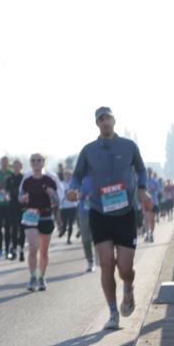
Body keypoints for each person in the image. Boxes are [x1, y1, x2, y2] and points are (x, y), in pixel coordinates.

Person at [66, 106, 149, 330]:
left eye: (108, 118)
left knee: (124, 268)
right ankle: (113, 313)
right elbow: (77, 176)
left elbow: (141, 170)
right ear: (97, 123)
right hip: (99, 212)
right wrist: (72, 190)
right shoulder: (89, 150)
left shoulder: (129, 146)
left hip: (124, 214)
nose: (105, 123)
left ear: (114, 120)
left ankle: (128, 287)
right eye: (100, 119)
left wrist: (142, 189)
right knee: (106, 264)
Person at [19, 153, 61, 291]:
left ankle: (41, 276)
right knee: (33, 248)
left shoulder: (50, 180)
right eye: (33, 161)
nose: (36, 163)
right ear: (30, 163)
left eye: (39, 160)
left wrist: (52, 194)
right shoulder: (27, 180)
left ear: (44, 162)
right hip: (30, 216)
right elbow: (20, 198)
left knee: (43, 252)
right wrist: (23, 199)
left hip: (46, 216)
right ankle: (32, 277)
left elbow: (57, 201)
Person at [0, 156, 14, 260]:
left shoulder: (11, 174)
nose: (4, 164)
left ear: (8, 163)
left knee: (8, 228)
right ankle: (0, 249)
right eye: (2, 162)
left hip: (9, 205)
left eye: (6, 162)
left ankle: (7, 249)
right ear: (0, 163)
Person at [4, 159, 26, 262]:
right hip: (12, 205)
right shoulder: (9, 178)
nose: (16, 168)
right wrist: (6, 197)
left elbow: (27, 191)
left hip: (22, 205)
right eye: (14, 166)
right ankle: (14, 250)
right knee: (13, 227)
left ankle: (21, 249)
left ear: (21, 167)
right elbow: (6, 192)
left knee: (22, 228)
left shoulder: (24, 178)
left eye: (18, 166)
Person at [77, 175, 97, 273]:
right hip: (84, 211)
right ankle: (90, 261)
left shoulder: (100, 173)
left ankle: (101, 257)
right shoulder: (80, 177)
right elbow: (73, 192)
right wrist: (78, 194)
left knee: (99, 237)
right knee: (85, 239)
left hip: (99, 210)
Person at [59, 169, 79, 243]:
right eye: (66, 175)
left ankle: (68, 239)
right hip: (63, 207)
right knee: (64, 223)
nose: (68, 177)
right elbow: (59, 194)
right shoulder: (61, 184)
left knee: (70, 223)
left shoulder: (74, 184)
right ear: (64, 176)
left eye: (69, 175)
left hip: (72, 206)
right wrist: (64, 197)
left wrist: (75, 198)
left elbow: (78, 194)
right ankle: (63, 230)